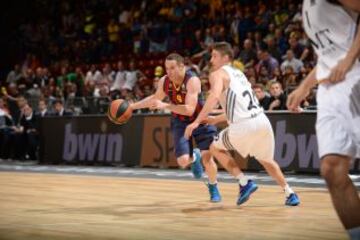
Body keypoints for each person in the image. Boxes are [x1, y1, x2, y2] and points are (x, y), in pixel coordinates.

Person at [185, 42, 300, 206]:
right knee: (267, 160)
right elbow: (238, 108)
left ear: (226, 58)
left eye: (215, 56)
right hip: (261, 121)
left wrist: (196, 121)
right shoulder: (239, 74)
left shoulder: (218, 73)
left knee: (214, 147)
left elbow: (214, 96)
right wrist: (213, 119)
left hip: (244, 125)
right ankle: (290, 193)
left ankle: (244, 182)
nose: (211, 60)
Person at [287, 1, 360, 238]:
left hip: (355, 76)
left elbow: (343, 53)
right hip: (330, 87)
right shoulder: (307, 5)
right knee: (331, 168)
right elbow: (327, 55)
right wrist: (304, 87)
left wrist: (349, 59)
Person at [130, 53, 221, 202]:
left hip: (200, 119)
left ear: (181, 66)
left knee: (208, 159)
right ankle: (194, 157)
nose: (169, 72)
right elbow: (155, 99)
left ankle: (213, 186)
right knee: (183, 161)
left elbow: (190, 109)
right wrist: (132, 106)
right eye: (167, 68)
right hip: (180, 122)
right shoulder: (164, 81)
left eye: (172, 68)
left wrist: (165, 105)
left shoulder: (192, 81)